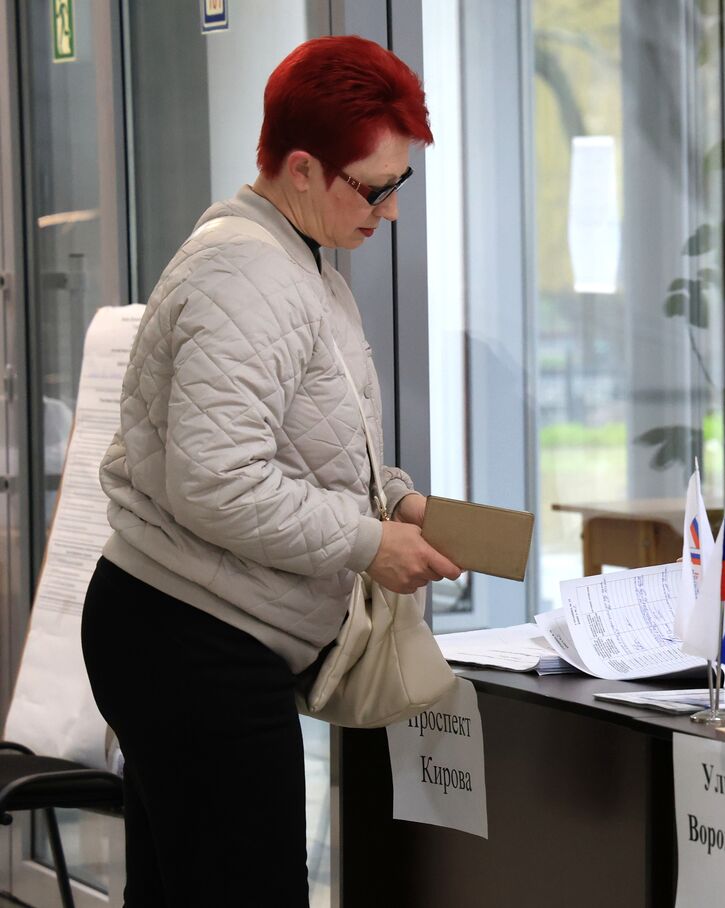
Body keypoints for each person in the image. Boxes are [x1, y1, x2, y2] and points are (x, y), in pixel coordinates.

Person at [81, 36, 460, 906]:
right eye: (375, 187)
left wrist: (397, 498)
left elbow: (308, 433)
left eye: (399, 184)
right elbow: (216, 481)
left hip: (189, 633)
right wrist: (369, 543)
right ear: (299, 168)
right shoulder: (246, 269)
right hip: (191, 641)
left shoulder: (299, 257)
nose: (391, 210)